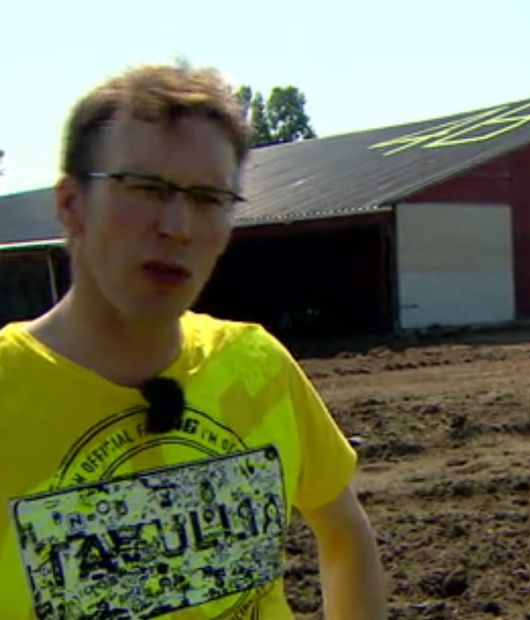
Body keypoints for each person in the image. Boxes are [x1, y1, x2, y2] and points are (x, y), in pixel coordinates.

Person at [0, 65, 387, 619]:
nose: (178, 225)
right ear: (70, 204)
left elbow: (344, 533)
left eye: (208, 198)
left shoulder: (256, 367)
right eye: (147, 189)